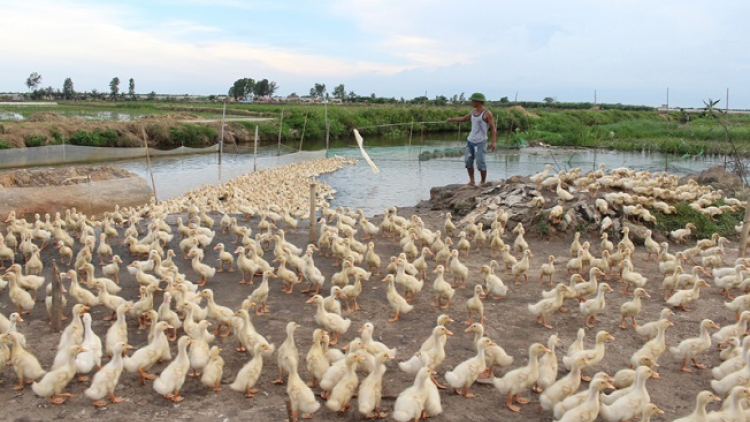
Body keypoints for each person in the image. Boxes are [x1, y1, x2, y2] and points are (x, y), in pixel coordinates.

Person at [446, 92, 497, 187]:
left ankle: (482, 182)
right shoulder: (473, 112)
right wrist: (452, 120)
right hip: (470, 141)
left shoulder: (487, 113)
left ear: (478, 101)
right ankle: (472, 181)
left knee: (480, 162)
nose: (471, 102)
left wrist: (493, 142)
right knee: (468, 161)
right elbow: (465, 118)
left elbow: (493, 128)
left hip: (480, 142)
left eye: (473, 100)